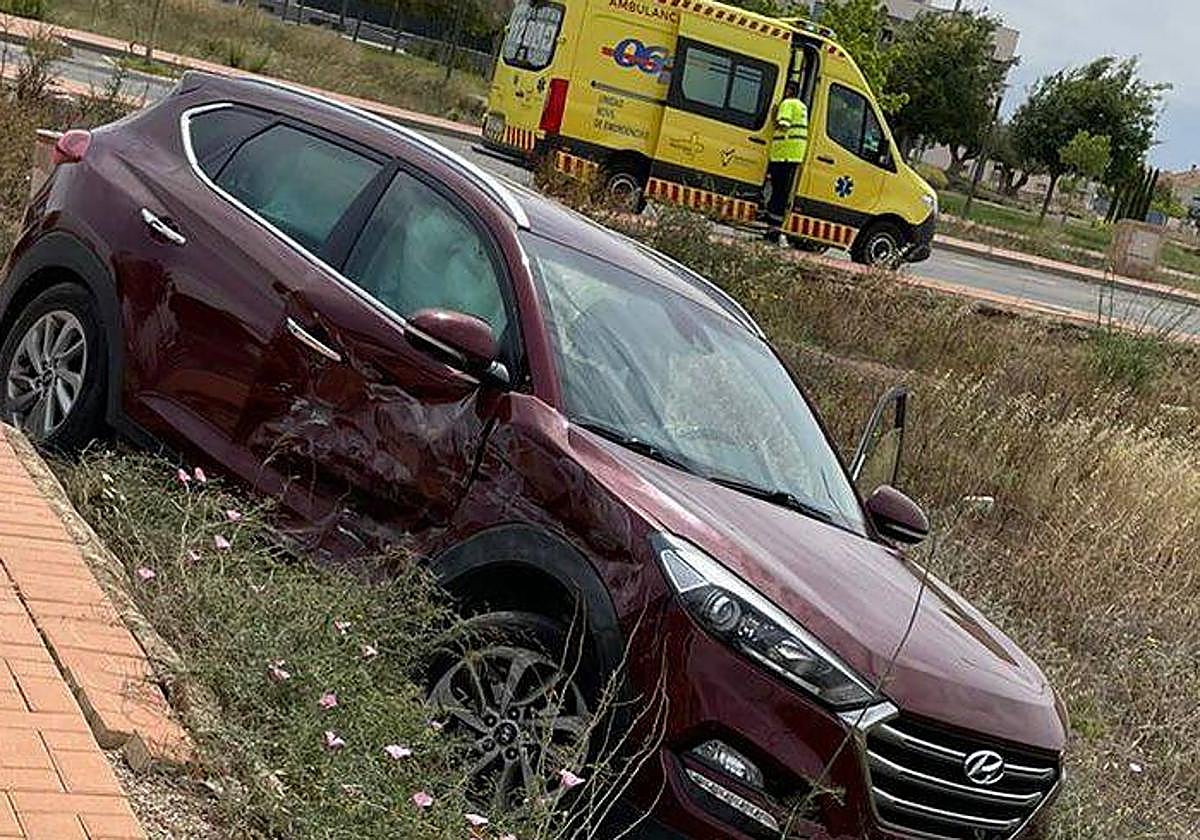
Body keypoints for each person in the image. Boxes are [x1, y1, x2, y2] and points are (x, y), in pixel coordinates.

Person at [765, 82, 809, 243]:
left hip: (783, 154)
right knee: (782, 192)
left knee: (778, 193)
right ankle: (775, 228)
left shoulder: (787, 104)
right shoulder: (802, 107)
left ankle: (773, 230)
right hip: (794, 155)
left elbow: (783, 125)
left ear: (789, 91)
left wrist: (774, 116)